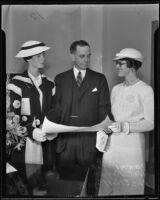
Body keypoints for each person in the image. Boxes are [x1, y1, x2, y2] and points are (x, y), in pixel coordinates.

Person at [46, 40, 113, 195]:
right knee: (65, 186)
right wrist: (48, 125)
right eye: (82, 56)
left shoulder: (99, 79)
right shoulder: (60, 79)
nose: (86, 60)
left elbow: (105, 110)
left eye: (88, 56)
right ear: (72, 56)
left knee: (89, 187)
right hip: (65, 144)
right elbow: (56, 108)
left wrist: (107, 129)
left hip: (89, 143)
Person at [98, 48, 154, 196]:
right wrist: (105, 133)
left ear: (132, 66)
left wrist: (126, 126)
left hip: (132, 145)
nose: (117, 66)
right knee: (108, 183)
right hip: (113, 145)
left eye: (121, 64)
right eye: (117, 63)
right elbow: (113, 120)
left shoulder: (146, 90)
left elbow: (150, 123)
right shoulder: (115, 89)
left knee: (129, 185)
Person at [6, 40, 56, 180]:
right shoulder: (16, 84)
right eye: (38, 55)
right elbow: (11, 119)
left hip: (46, 141)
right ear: (28, 58)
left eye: (43, 54)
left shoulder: (49, 84)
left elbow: (54, 110)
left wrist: (54, 128)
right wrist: (31, 130)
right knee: (25, 181)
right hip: (25, 143)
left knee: (46, 181)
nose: (42, 58)